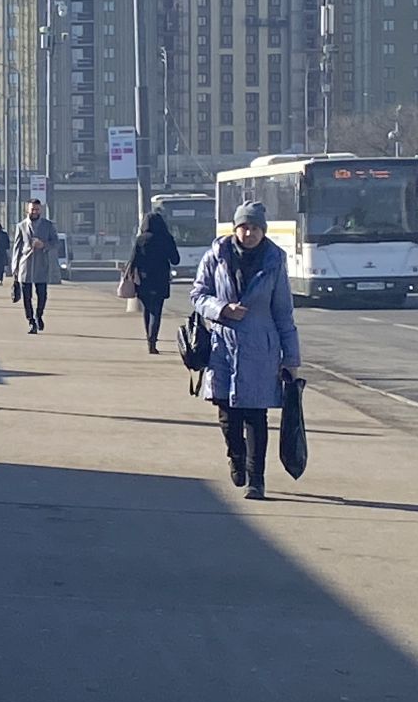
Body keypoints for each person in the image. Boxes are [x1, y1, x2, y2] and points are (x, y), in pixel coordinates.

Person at [190, 201, 302, 501]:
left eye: (255, 228)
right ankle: (235, 456)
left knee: (255, 416)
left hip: (260, 349)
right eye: (244, 227)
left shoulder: (274, 262)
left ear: (263, 231)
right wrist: (222, 308)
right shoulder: (216, 256)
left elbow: (283, 312)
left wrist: (291, 359)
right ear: (235, 228)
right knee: (227, 415)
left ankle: (257, 479)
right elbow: (198, 295)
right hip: (222, 347)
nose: (249, 233)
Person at [128, 211, 184, 355]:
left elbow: (134, 260)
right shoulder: (166, 238)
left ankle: (149, 339)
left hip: (144, 279)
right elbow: (175, 260)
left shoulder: (141, 240)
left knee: (147, 310)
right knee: (156, 311)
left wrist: (131, 275)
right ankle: (153, 341)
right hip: (160, 279)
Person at [11, 198, 61, 334]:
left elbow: (56, 242)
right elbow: (17, 247)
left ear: (41, 210)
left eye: (37, 209)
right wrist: (15, 267)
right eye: (32, 209)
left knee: (42, 294)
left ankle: (39, 315)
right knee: (26, 297)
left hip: (42, 264)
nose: (34, 212)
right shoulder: (21, 226)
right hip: (25, 265)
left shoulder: (48, 225)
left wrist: (44, 245)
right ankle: (31, 321)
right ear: (27, 210)